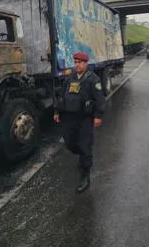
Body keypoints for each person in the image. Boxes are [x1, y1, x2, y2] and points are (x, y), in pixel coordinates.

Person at [53, 52, 106, 193]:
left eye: (80, 62)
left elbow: (99, 98)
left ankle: (85, 175)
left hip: (85, 119)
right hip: (70, 118)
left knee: (85, 146)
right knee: (69, 143)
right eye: (75, 62)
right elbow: (62, 96)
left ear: (86, 64)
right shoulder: (69, 78)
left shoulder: (93, 79)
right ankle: (82, 155)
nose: (77, 64)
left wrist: (98, 115)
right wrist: (57, 112)